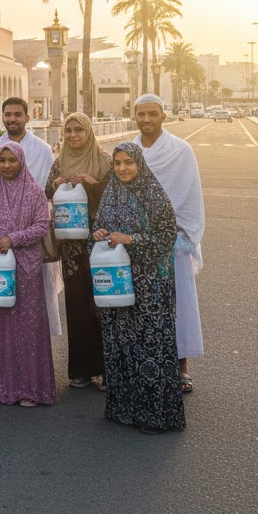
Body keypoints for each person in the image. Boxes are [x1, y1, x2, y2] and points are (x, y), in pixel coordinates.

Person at [92, 142, 185, 433]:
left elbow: (167, 236)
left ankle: (155, 416)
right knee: (119, 345)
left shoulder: (154, 194)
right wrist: (99, 233)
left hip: (150, 286)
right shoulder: (111, 193)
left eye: (128, 162)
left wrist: (130, 239)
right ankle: (123, 410)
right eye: (117, 163)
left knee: (150, 346)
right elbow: (98, 232)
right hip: (117, 284)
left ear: (139, 164)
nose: (122, 168)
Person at [0, 142, 57, 407]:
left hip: (25, 269)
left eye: (12, 160)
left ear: (21, 161)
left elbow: (42, 226)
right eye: (2, 160)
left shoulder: (33, 192)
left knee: (26, 328)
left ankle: (29, 389)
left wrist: (13, 239)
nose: (7, 165)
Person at [132, 94, 205, 394]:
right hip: (136, 242)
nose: (146, 119)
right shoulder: (129, 151)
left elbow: (190, 196)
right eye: (141, 114)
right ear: (135, 116)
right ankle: (142, 367)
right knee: (139, 308)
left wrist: (181, 235)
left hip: (172, 243)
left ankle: (181, 367)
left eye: (152, 114)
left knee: (178, 304)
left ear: (163, 116)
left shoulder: (181, 150)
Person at [46, 112, 111, 389]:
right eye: (68, 130)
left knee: (103, 303)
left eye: (78, 130)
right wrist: (56, 185)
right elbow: (47, 191)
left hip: (98, 243)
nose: (73, 135)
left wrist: (93, 184)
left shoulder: (104, 160)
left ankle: (107, 369)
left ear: (88, 132)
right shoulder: (60, 161)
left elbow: (114, 195)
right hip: (71, 247)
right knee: (77, 305)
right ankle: (82, 370)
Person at [0, 96, 63, 337]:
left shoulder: (43, 150)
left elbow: (47, 191)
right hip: (0, 235)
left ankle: (36, 347)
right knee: (3, 293)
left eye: (17, 114)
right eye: (8, 114)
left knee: (36, 299)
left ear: (27, 117)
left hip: (33, 235)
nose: (12, 119)